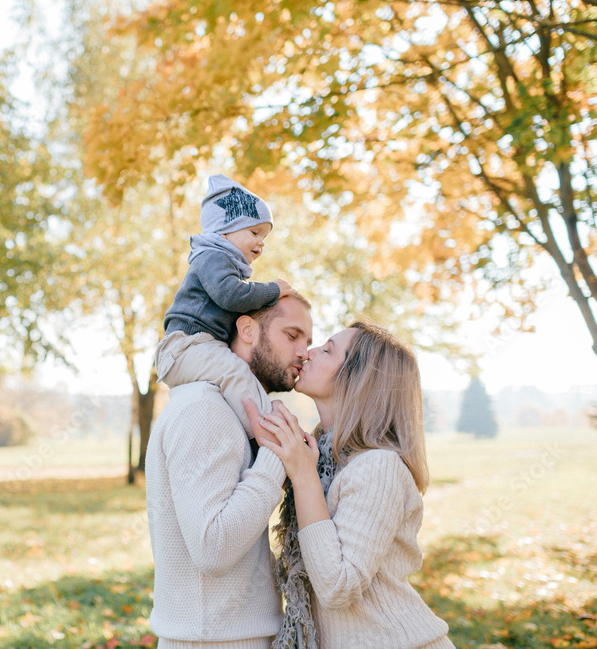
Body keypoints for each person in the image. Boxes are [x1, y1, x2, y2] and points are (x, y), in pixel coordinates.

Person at [248, 322, 453, 649]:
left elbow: (337, 587)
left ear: (358, 381)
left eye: (327, 349)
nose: (307, 352)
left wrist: (304, 477)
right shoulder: (322, 459)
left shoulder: (378, 466)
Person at [146, 292, 313, 649]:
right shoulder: (206, 409)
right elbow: (213, 549)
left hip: (227, 633)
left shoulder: (227, 411)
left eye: (309, 342)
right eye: (292, 335)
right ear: (248, 330)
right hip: (214, 639)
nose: (304, 352)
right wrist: (275, 457)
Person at [156, 174, 292, 437]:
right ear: (223, 230)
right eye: (254, 232)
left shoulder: (224, 262)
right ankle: (266, 435)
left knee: (238, 374)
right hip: (184, 347)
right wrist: (272, 290)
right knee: (235, 372)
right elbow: (230, 295)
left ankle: (257, 426)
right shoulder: (212, 256)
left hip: (196, 347)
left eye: (264, 236)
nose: (261, 242)